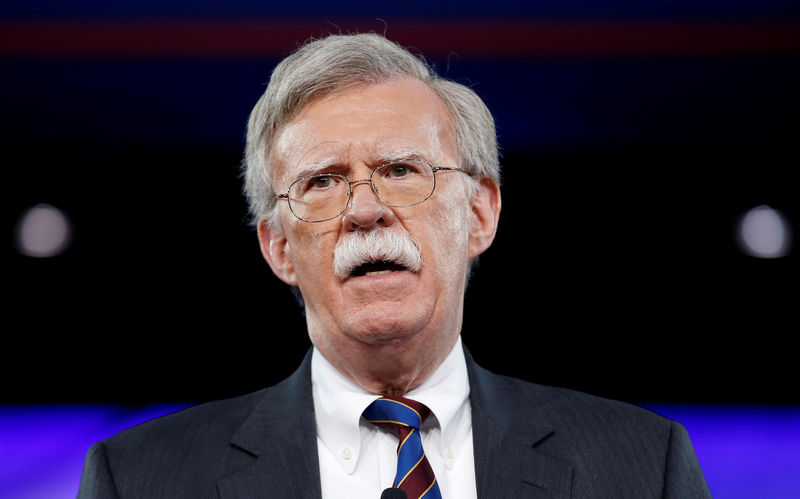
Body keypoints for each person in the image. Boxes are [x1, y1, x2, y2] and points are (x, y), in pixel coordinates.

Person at [78, 32, 711, 498]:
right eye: (323, 181)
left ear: (480, 214)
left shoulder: (642, 468)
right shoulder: (138, 479)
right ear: (277, 247)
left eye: (401, 170)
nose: (365, 210)